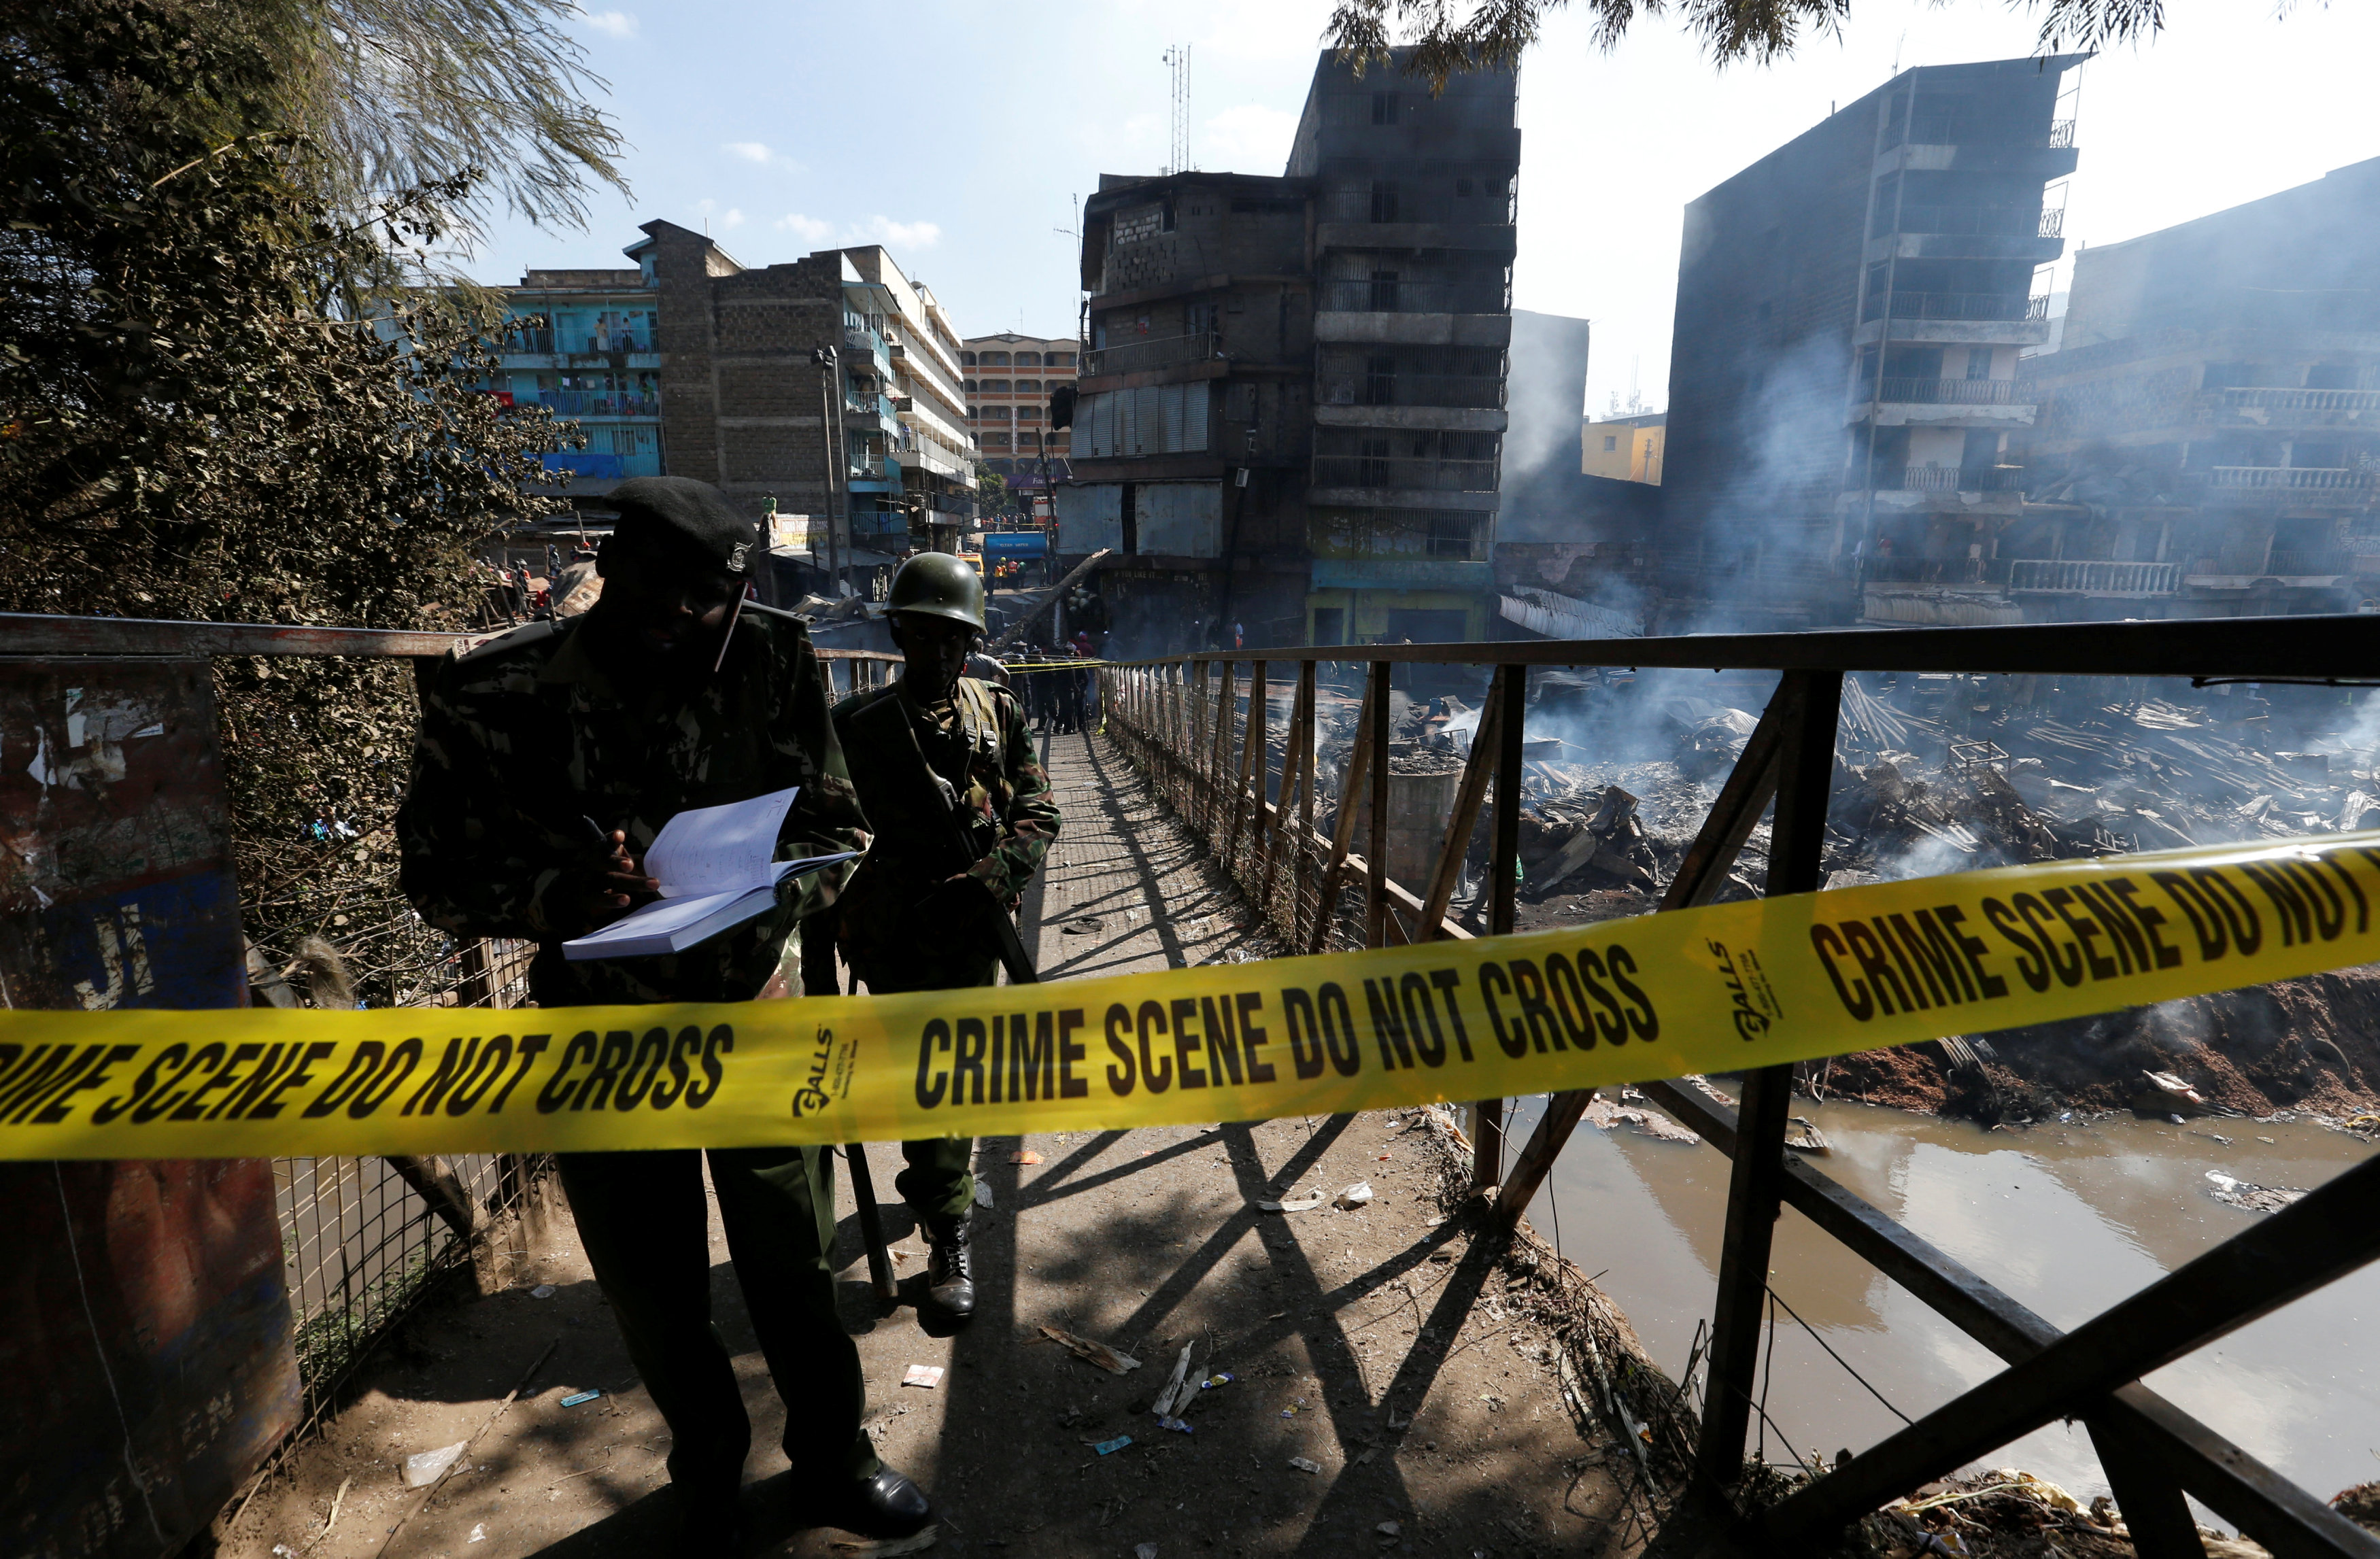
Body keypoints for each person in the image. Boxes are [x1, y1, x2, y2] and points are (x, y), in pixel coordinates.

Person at [395, 476, 932, 1552]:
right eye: (661, 593)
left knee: (792, 1258)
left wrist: (764, 883)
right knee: (651, 1279)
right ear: (613, 569)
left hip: (756, 1014)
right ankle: (709, 1465)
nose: (685, 621)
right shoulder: (497, 693)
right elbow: (434, 872)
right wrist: (556, 896)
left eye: (709, 601)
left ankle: (834, 1459)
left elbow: (837, 824)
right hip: (601, 1034)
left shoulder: (775, 658)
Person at [820, 552, 1059, 1324]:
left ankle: (945, 1226)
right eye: (923, 638)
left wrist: (993, 880)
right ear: (897, 635)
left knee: (947, 1075)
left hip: (967, 931)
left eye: (954, 640)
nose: (939, 654)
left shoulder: (999, 712)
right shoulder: (855, 726)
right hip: (892, 932)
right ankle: (938, 1205)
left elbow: (1038, 811)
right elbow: (818, 831)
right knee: (914, 1079)